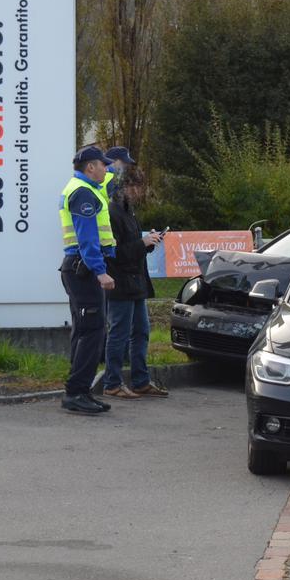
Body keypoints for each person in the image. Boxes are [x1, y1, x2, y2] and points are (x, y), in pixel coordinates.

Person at [101, 146, 168, 399]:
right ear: (124, 188)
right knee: (119, 333)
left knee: (141, 331)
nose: (139, 192)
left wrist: (149, 243)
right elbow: (114, 253)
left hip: (136, 282)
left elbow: (133, 248)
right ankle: (112, 383)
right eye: (135, 187)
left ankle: (141, 380)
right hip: (121, 283)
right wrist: (143, 243)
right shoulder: (113, 212)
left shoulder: (129, 212)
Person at [58, 145, 118, 415]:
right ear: (90, 167)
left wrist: (117, 169)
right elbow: (87, 238)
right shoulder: (82, 192)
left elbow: (112, 179)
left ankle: (79, 390)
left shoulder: (85, 187)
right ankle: (76, 392)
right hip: (84, 270)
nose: (106, 169)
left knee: (86, 330)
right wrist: (100, 270)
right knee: (93, 331)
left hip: (78, 269)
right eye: (102, 165)